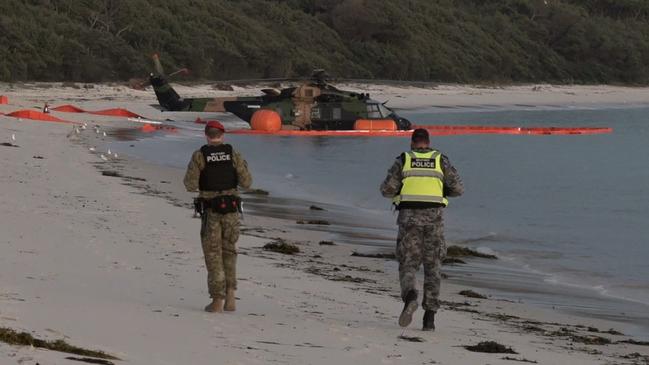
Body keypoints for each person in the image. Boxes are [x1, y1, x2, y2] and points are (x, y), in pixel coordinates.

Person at [380, 128, 464, 331]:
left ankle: (410, 296)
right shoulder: (440, 160)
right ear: (428, 142)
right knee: (433, 267)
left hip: (409, 220)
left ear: (412, 142)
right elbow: (458, 189)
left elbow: (387, 190)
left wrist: (402, 189)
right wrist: (439, 189)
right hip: (434, 221)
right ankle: (429, 318)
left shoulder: (404, 160)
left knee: (408, 263)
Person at [184, 120, 252, 312]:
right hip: (231, 210)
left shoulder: (200, 156)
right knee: (229, 251)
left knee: (213, 255)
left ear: (206, 135)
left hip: (211, 211)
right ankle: (231, 295)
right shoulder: (233, 154)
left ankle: (217, 300)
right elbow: (247, 182)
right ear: (223, 135)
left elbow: (190, 184)